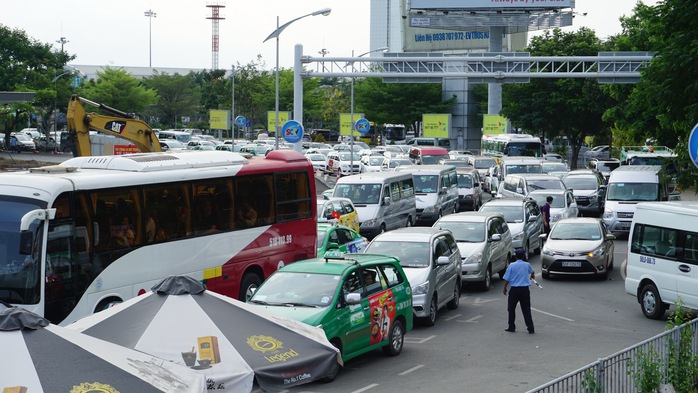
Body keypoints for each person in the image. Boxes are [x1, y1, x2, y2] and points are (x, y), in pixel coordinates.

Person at [502, 248, 536, 334]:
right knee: (526, 309)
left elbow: (507, 278)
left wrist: (505, 287)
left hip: (514, 290)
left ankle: (511, 326)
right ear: (524, 256)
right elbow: (532, 272)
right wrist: (532, 276)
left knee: (511, 308)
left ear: (515, 257)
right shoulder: (527, 264)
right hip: (525, 289)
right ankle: (530, 328)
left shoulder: (512, 265)